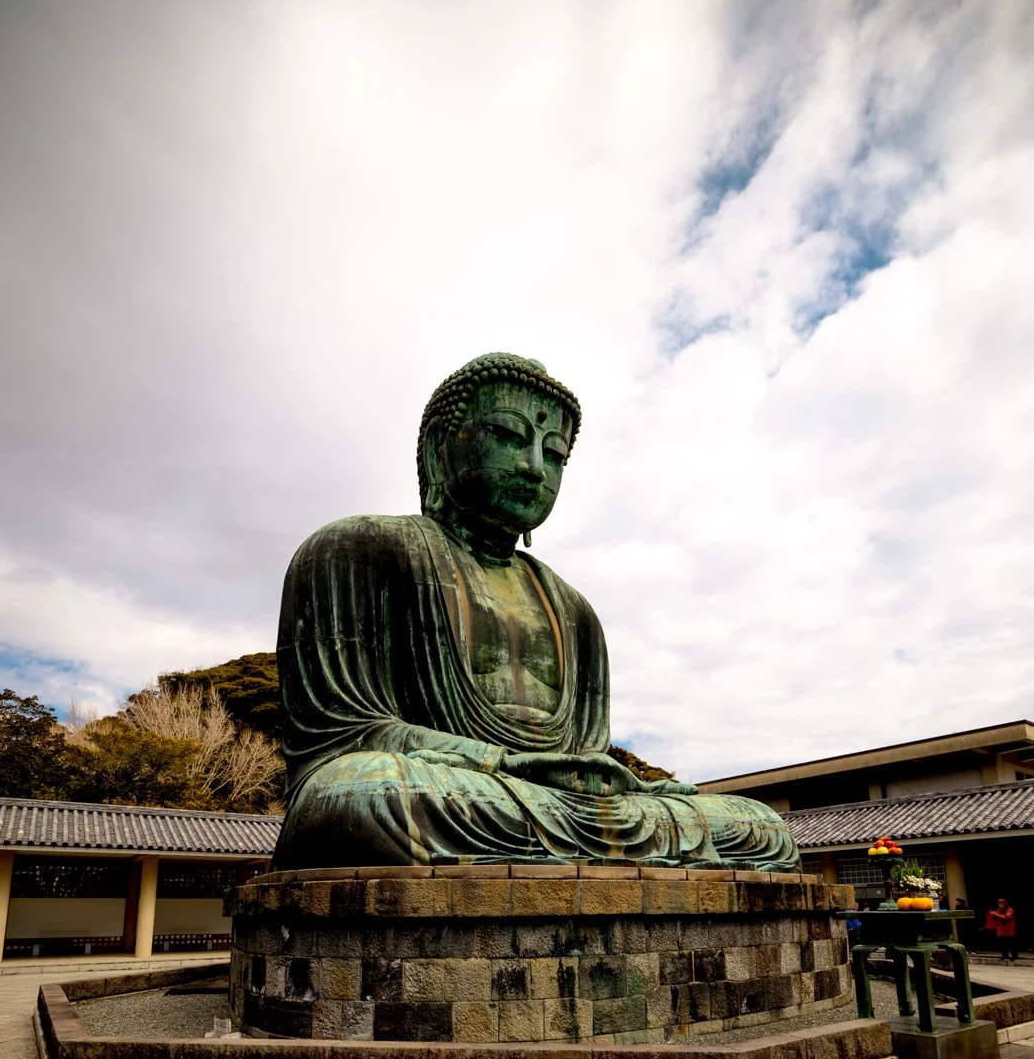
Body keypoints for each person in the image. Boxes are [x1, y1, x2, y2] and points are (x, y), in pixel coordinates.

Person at [272, 352, 801, 871]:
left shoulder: (574, 610)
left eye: (554, 454)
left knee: (760, 825)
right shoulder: (354, 549)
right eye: (507, 435)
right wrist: (500, 761)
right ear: (438, 449)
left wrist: (609, 783)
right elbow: (345, 737)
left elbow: (587, 760)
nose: (532, 466)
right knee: (363, 795)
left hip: (547, 805)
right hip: (445, 788)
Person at [986, 897, 1019, 962]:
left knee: (1011, 944)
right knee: (1002, 944)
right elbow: (996, 918)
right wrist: (993, 915)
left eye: (1001, 904)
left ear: (1005, 904)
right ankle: (1005, 955)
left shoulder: (1010, 910)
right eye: (999, 904)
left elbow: (1007, 917)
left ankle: (1014, 956)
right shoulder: (998, 910)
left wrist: (996, 914)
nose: (1000, 906)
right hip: (1001, 930)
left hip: (1009, 930)